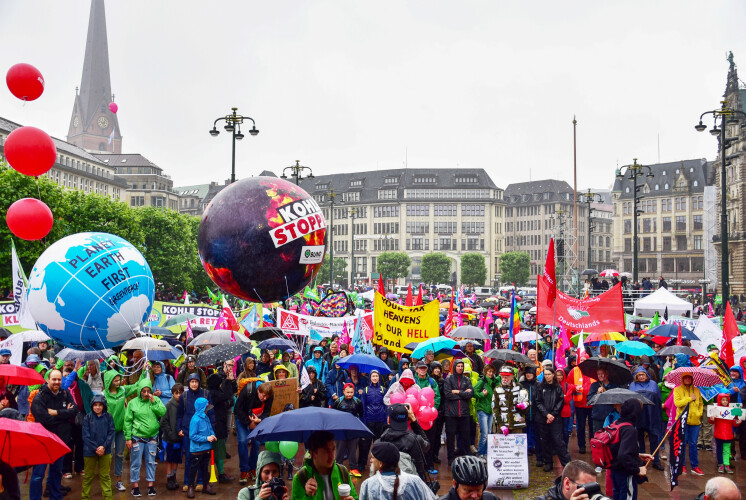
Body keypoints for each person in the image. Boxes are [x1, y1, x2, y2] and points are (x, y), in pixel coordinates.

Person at [30, 369, 78, 500]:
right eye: (54, 379)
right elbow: (44, 419)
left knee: (56, 472)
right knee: (38, 474)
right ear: (48, 380)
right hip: (43, 441)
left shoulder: (65, 393)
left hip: (60, 441)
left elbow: (75, 410)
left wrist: (56, 412)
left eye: (59, 379)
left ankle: (56, 497)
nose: (57, 382)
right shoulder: (39, 397)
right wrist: (64, 415)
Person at [124, 377, 167, 497]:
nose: (146, 394)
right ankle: (135, 486)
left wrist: (154, 402)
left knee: (151, 462)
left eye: (148, 391)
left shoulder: (155, 400)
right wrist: (128, 438)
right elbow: (127, 421)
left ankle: (150, 485)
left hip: (152, 437)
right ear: (139, 391)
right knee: (136, 463)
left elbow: (163, 412)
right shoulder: (133, 403)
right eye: (144, 391)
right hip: (137, 438)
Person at [178, 372, 216, 491]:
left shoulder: (205, 394)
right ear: (188, 383)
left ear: (199, 382)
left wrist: (212, 429)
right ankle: (187, 482)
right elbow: (179, 414)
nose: (194, 384)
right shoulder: (184, 396)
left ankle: (200, 482)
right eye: (192, 382)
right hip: (187, 431)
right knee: (189, 457)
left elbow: (210, 412)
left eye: (196, 382)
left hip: (203, 432)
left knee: (203, 458)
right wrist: (178, 428)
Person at [291, 430, 357, 500]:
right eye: (327, 451)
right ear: (313, 453)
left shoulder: (342, 472)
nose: (332, 456)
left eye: (333, 449)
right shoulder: (301, 477)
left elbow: (355, 497)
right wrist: (308, 496)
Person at [359, 441, 437, 500]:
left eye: (372, 458)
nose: (371, 461)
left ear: (380, 463)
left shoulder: (368, 484)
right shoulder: (415, 481)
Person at [609, 399, 650, 500]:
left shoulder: (617, 424)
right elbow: (623, 455)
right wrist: (637, 470)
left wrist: (637, 455)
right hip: (625, 473)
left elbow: (618, 448)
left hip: (615, 470)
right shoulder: (630, 429)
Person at [235, 381, 274, 483]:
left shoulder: (270, 396)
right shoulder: (247, 391)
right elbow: (237, 409)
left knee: (256, 443)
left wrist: (259, 420)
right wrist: (249, 423)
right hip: (242, 417)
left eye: (267, 397)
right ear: (258, 391)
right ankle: (244, 470)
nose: (264, 399)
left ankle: (253, 468)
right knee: (243, 441)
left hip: (257, 419)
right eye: (263, 396)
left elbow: (267, 412)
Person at [378, 403, 430, 478]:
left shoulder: (380, 442)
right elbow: (427, 445)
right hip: (413, 483)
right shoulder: (416, 440)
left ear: (389, 420)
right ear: (407, 419)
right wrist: (413, 419)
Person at [535, 367, 571, 471]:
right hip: (543, 418)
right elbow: (538, 402)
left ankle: (566, 463)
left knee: (558, 441)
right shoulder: (540, 387)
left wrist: (553, 415)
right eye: (545, 374)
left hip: (555, 418)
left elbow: (560, 402)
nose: (547, 376)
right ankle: (548, 462)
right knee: (545, 441)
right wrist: (546, 414)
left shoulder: (558, 387)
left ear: (553, 375)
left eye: (549, 374)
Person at [628, 367, 664, 471]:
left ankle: (656, 461)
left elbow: (658, 399)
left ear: (646, 375)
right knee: (639, 439)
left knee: (654, 439)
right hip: (638, 416)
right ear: (636, 376)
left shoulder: (653, 384)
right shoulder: (632, 385)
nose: (641, 376)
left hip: (652, 416)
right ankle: (642, 460)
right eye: (639, 375)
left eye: (643, 374)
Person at [206, 364, 237, 483]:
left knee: (217, 449)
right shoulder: (215, 393)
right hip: (218, 425)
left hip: (217, 424)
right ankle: (221, 473)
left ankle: (216, 472)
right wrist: (229, 381)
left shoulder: (211, 392)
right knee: (219, 450)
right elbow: (228, 395)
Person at [81, 394, 115, 500]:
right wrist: (96, 448)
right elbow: (85, 436)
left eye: (100, 405)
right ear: (92, 406)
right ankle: (85, 497)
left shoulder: (109, 417)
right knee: (88, 476)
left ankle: (108, 497)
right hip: (89, 452)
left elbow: (111, 433)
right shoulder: (87, 418)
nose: (98, 407)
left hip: (105, 451)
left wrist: (104, 447)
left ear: (104, 406)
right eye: (95, 405)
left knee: (105, 476)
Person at [673, 371, 704, 475]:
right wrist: (690, 398)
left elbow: (700, 404)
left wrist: (699, 413)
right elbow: (678, 403)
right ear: (682, 379)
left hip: (695, 421)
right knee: (682, 443)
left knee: (693, 444)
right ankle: (682, 465)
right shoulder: (677, 390)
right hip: (683, 421)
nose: (687, 379)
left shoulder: (696, 390)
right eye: (685, 378)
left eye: (689, 378)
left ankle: (695, 466)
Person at [444, 359, 473, 465]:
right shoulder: (449, 379)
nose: (460, 368)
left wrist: (457, 392)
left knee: (465, 436)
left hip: (464, 413)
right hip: (451, 413)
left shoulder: (467, 379)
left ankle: (465, 457)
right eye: (458, 366)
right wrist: (463, 394)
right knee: (450, 437)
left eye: (462, 366)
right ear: (454, 367)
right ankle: (450, 457)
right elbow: (447, 394)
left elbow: (470, 394)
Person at [186, 397, 217, 497]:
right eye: (206, 408)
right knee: (193, 469)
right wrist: (206, 438)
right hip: (197, 450)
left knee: (204, 468)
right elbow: (192, 435)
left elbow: (210, 428)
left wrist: (213, 435)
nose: (207, 410)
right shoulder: (195, 420)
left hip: (206, 448)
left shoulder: (206, 417)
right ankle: (190, 486)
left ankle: (205, 485)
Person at [333, 383, 364, 476]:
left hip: (353, 429)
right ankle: (337, 468)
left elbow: (361, 414)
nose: (349, 394)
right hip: (341, 430)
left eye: (351, 392)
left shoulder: (357, 401)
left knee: (353, 450)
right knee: (340, 450)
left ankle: (354, 468)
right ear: (343, 391)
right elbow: (333, 414)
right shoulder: (338, 401)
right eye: (347, 392)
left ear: (354, 392)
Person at [359, 369, 387, 471]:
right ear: (370, 377)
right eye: (373, 376)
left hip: (380, 420)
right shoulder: (366, 390)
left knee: (378, 443)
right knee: (365, 444)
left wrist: (385, 420)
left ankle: (379, 464)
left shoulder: (383, 390)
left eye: (376, 376)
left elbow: (385, 406)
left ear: (379, 377)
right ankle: (361, 464)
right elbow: (363, 406)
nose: (375, 378)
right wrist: (364, 421)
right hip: (369, 420)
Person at [160, 383, 184, 491]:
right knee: (169, 459)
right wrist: (170, 433)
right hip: (169, 439)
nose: (179, 395)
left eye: (180, 393)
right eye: (176, 393)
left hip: (179, 438)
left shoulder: (184, 405)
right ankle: (169, 478)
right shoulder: (169, 405)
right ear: (173, 394)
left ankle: (174, 477)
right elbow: (163, 422)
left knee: (176, 459)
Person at [709, 392, 741, 474]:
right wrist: (712, 419)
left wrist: (738, 421)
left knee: (727, 450)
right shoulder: (716, 410)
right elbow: (712, 422)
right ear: (720, 400)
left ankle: (726, 464)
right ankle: (720, 464)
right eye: (723, 400)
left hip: (728, 434)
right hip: (719, 434)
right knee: (719, 450)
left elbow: (734, 423)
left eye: (726, 400)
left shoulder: (731, 410)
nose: (725, 402)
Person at [493, 366, 529, 436]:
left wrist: (525, 405)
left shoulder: (519, 387)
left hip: (517, 424)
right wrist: (501, 425)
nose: (503, 379)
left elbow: (527, 402)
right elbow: (495, 409)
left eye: (506, 377)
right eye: (502, 377)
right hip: (503, 424)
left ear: (512, 377)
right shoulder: (497, 389)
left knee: (518, 445)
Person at [473, 364, 498, 459]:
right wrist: (482, 394)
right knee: (484, 433)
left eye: (492, 372)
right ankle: (480, 453)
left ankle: (486, 452)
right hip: (482, 409)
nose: (491, 373)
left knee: (489, 432)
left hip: (490, 410)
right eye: (489, 372)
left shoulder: (494, 382)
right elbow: (473, 392)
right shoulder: (482, 381)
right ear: (485, 372)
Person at [588, 368, 619, 439]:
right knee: (598, 438)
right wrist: (597, 393)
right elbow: (590, 400)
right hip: (598, 416)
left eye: (602, 374)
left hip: (611, 416)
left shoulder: (614, 386)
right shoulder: (594, 386)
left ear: (607, 374)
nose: (600, 376)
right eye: (598, 374)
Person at [520, 365, 541, 459]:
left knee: (534, 430)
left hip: (536, 411)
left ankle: (532, 446)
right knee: (525, 430)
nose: (528, 375)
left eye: (530, 373)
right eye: (527, 373)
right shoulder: (522, 384)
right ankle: (526, 447)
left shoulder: (538, 384)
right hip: (525, 412)